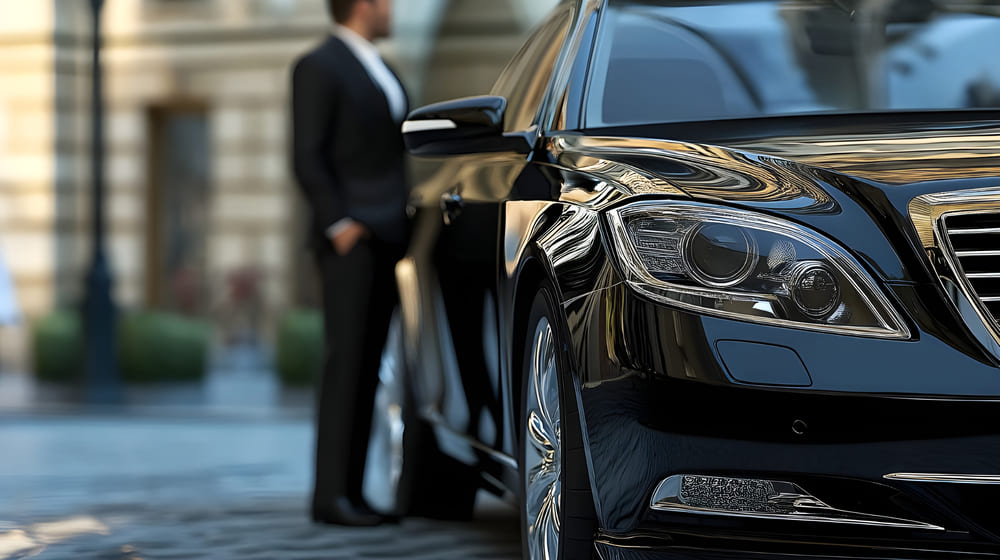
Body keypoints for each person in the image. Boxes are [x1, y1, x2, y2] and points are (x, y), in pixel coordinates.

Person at [290, 0, 409, 527]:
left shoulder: (382, 65)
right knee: (346, 366)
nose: (393, 9)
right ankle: (330, 496)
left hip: (387, 236)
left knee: (368, 370)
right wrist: (340, 225)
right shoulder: (318, 65)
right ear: (364, 4)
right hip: (351, 241)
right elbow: (306, 154)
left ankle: (354, 494)